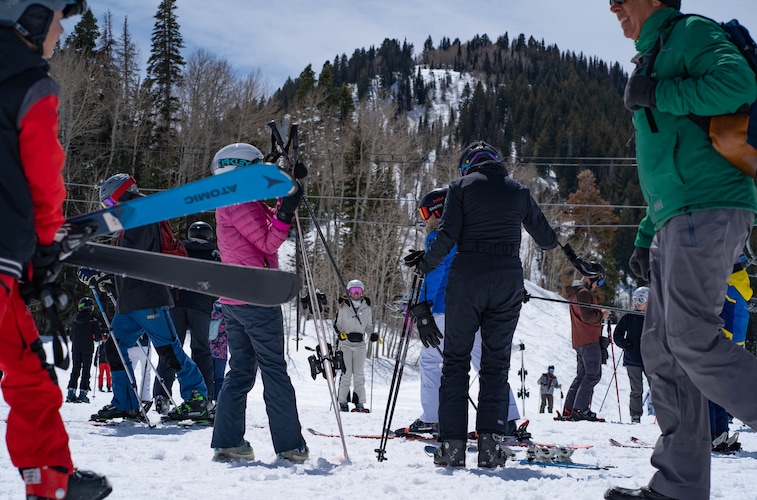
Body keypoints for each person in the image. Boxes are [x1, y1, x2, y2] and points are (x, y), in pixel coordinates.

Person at [606, 1, 757, 498]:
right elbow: (668, 160)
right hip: (676, 215)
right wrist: (647, 232)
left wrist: (660, 92)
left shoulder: (690, 33)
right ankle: (679, 486)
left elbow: (739, 84)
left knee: (690, 337)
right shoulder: (652, 56)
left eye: (619, 0)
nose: (613, 9)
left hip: (709, 206)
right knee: (663, 350)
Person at [404, 141, 594, 468]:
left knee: (455, 363)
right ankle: (491, 447)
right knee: (494, 365)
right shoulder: (518, 191)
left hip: (468, 280)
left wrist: (425, 265)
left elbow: (447, 237)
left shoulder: (460, 188)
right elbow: (547, 240)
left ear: (468, 166)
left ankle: (451, 447)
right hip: (507, 281)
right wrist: (575, 258)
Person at [0, 1, 112, 497]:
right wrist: (45, 248)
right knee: (28, 376)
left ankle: (50, 482)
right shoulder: (29, 84)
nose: (62, 29)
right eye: (57, 19)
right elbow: (44, 181)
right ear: (29, 18)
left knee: (29, 370)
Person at [208, 143, 309, 463]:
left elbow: (267, 226)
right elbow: (269, 239)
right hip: (256, 297)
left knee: (239, 372)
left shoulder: (231, 198)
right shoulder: (238, 199)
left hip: (236, 299)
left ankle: (228, 442)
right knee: (274, 371)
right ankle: (290, 446)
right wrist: (286, 207)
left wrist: (286, 195)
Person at [401, 188, 522, 437]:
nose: (424, 219)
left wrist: (422, 306)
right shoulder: (473, 233)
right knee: (486, 363)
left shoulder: (439, 236)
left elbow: (436, 274)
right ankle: (506, 419)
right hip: (478, 308)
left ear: (438, 211)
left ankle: (433, 418)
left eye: (425, 212)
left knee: (432, 361)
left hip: (445, 310)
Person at [92, 173, 209, 423]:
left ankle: (197, 399)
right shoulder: (132, 218)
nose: (108, 210)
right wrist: (105, 275)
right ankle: (126, 404)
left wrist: (102, 267)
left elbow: (132, 256)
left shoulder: (140, 214)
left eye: (110, 204)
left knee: (168, 350)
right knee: (114, 348)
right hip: (130, 302)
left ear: (122, 195)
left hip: (148, 297)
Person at [153, 220, 219, 412]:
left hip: (176, 303)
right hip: (201, 306)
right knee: (202, 351)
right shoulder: (214, 254)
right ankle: (205, 396)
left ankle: (161, 394)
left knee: (171, 349)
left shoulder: (180, 248)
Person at [709, 257, 752, 452]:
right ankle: (721, 432)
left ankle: (710, 434)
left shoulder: (725, 289)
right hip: (735, 349)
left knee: (707, 391)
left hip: (720, 344)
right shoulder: (742, 288)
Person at [562, 275, 609, 422]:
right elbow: (588, 317)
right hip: (589, 339)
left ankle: (570, 409)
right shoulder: (583, 293)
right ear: (592, 278)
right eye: (599, 282)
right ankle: (580, 410)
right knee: (592, 375)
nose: (598, 285)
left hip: (580, 340)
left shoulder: (576, 292)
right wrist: (602, 314)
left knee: (582, 375)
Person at [335, 279, 375, 412]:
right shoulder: (343, 306)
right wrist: (340, 333)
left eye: (359, 291)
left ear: (362, 292)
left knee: (358, 374)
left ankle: (359, 403)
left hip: (360, 345)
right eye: (353, 291)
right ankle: (343, 402)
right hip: (346, 343)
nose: (356, 294)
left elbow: (369, 326)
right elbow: (337, 324)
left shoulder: (366, 307)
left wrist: (372, 334)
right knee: (346, 373)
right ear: (349, 292)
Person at [612, 286, 650, 423]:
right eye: (635, 300)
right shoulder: (629, 316)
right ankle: (635, 415)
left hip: (651, 359)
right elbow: (617, 334)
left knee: (658, 388)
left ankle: (664, 415)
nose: (637, 303)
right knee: (636, 389)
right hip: (633, 359)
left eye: (641, 299)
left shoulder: (655, 317)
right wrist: (625, 343)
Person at [66, 297, 103, 403]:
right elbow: (98, 337)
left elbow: (71, 336)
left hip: (76, 348)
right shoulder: (93, 321)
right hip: (87, 349)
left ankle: (71, 393)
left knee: (75, 369)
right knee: (86, 371)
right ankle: (83, 393)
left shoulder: (76, 320)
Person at [209, 299, 228, 401]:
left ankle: (207, 399)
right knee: (219, 379)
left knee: (207, 377)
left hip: (208, 351)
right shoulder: (226, 320)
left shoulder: (208, 317)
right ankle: (218, 401)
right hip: (221, 353)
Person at [127, 334, 153, 407]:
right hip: (144, 345)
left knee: (129, 372)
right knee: (146, 372)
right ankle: (145, 396)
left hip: (131, 344)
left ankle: (129, 395)